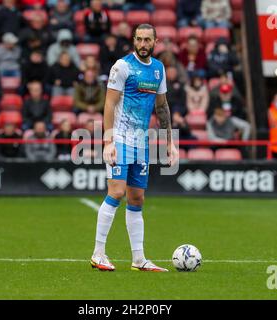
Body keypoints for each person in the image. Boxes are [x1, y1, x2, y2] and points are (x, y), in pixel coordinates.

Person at [91, 24, 177, 272]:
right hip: (119, 139)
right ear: (133, 40)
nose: (142, 44)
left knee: (137, 198)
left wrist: (169, 142)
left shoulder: (159, 70)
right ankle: (98, 253)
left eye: (147, 40)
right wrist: (108, 141)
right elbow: (109, 104)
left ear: (155, 41)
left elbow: (162, 107)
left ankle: (139, 259)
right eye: (138, 39)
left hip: (142, 144)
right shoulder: (122, 66)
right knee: (116, 192)